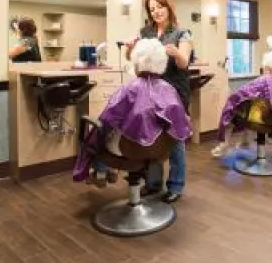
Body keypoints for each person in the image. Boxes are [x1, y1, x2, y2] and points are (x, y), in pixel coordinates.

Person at [73, 38, 192, 187]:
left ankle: (101, 171)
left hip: (129, 149)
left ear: (137, 62)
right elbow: (181, 128)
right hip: (160, 150)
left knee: (100, 130)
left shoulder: (129, 89)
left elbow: (107, 120)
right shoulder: (169, 90)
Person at [124, 0, 192, 203]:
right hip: (150, 92)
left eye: (159, 7)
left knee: (174, 138)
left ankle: (176, 185)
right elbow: (136, 60)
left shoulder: (181, 34)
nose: (156, 12)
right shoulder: (146, 33)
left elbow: (184, 63)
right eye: (152, 9)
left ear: (168, 7)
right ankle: (153, 184)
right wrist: (129, 50)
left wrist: (176, 53)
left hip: (174, 93)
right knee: (151, 135)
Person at [215, 50, 272, 150]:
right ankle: (243, 144)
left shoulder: (263, 81)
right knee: (249, 108)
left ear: (267, 65)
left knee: (234, 111)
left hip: (264, 119)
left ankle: (225, 145)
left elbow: (237, 96)